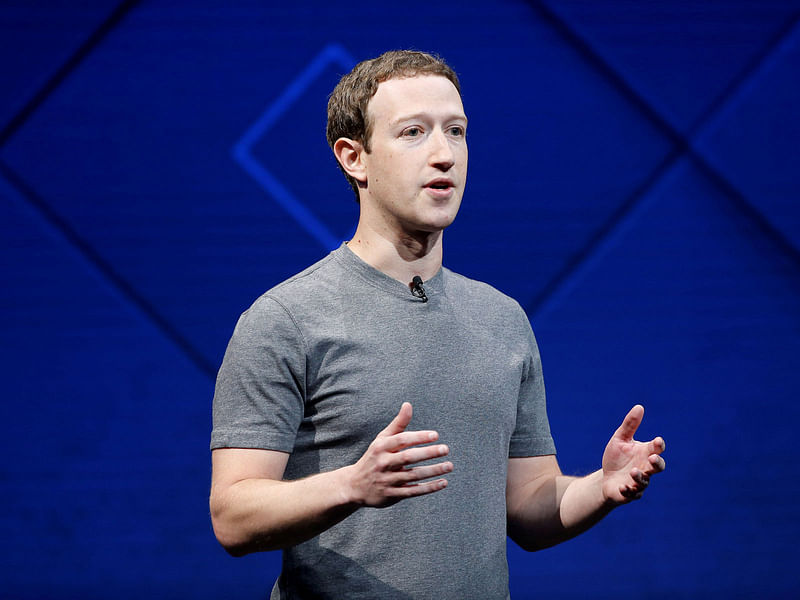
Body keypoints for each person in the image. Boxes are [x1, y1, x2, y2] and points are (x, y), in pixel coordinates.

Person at [210, 50, 666, 599]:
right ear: (354, 157)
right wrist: (352, 485)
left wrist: (602, 488)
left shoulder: (501, 318)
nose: (444, 154)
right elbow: (232, 517)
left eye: (456, 131)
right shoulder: (286, 319)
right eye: (413, 133)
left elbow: (528, 506)